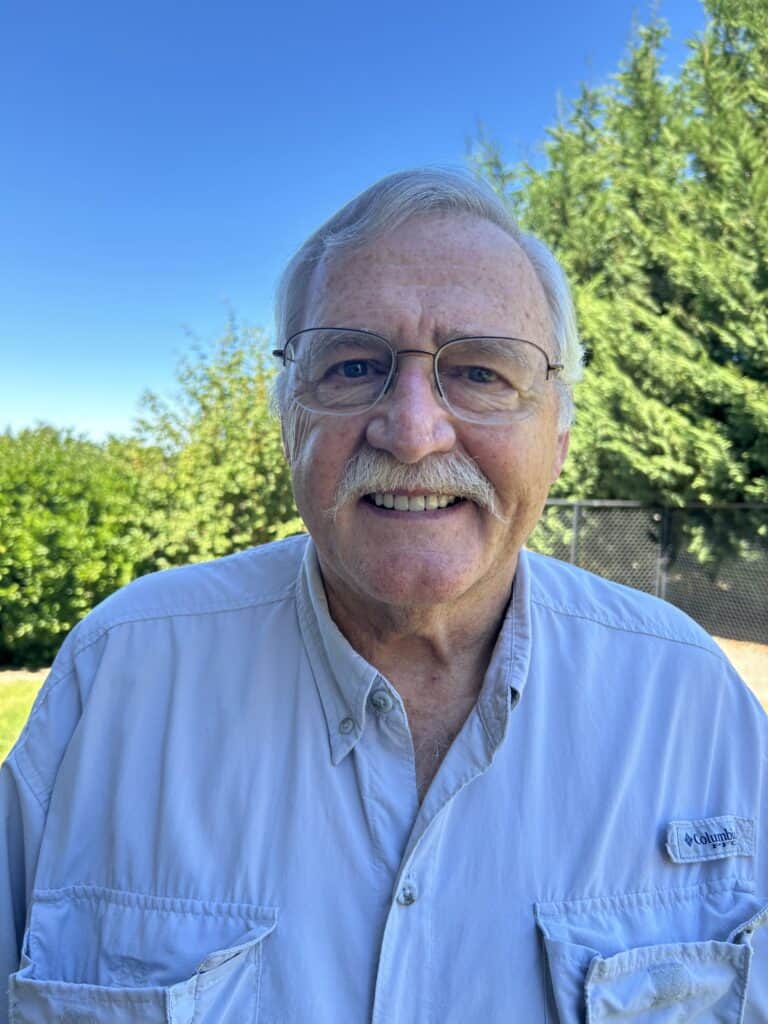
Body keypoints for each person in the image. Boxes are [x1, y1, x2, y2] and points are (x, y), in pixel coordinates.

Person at [1, 169, 766, 1023]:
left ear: (557, 433)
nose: (411, 432)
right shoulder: (120, 677)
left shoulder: (689, 701)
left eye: (480, 372)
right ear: (288, 419)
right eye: (353, 365)